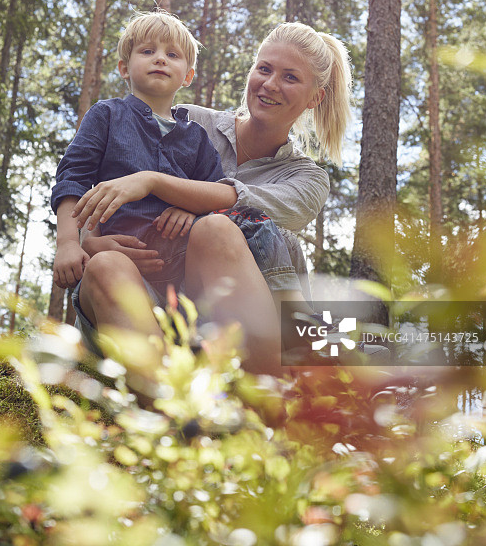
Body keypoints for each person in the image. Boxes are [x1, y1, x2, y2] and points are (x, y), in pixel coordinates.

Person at [76, 21, 353, 372]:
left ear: (316, 97)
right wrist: (91, 240)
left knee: (218, 229)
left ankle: (271, 391)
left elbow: (234, 202)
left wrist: (155, 182)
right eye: (264, 69)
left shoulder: (307, 179)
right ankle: (162, 401)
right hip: (142, 298)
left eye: (290, 77)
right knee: (105, 265)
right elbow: (104, 177)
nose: (270, 84)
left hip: (237, 324)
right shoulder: (187, 122)